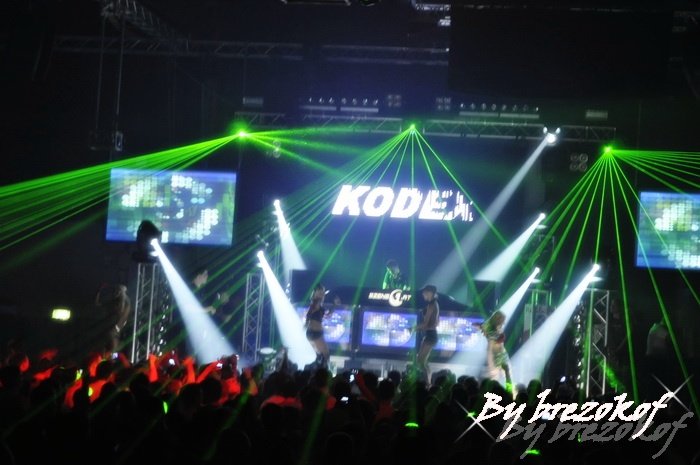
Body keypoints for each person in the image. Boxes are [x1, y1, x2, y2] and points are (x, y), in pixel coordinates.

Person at [477, 310, 512, 390]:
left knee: (507, 374)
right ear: (498, 319)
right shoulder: (491, 331)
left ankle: (507, 391)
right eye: (502, 320)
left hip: (502, 355)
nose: (504, 322)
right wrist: (491, 364)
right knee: (496, 379)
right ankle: (498, 393)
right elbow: (489, 349)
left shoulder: (498, 328)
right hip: (496, 357)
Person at [95, 284, 131, 354]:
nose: (117, 292)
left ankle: (114, 354)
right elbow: (98, 304)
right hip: (114, 323)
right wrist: (98, 292)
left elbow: (121, 310)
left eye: (119, 291)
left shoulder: (125, 299)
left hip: (119, 323)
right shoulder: (116, 301)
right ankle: (110, 353)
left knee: (112, 334)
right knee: (109, 336)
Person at [415, 284, 439, 384]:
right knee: (422, 361)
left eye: (424, 293)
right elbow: (436, 322)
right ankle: (428, 382)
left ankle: (427, 383)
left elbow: (425, 323)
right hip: (429, 335)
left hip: (430, 336)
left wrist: (413, 328)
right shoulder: (434, 304)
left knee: (420, 362)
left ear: (430, 293)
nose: (423, 294)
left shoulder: (432, 305)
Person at [305, 284, 331, 367]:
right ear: (315, 293)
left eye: (323, 293)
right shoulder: (315, 302)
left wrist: (335, 306)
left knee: (321, 356)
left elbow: (326, 316)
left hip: (314, 333)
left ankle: (318, 369)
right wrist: (306, 322)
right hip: (315, 333)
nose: (322, 295)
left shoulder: (318, 303)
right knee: (325, 355)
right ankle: (321, 371)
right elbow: (309, 313)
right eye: (320, 293)